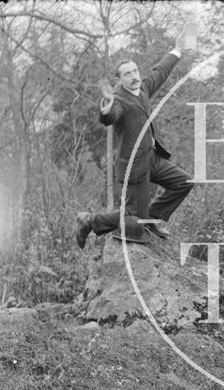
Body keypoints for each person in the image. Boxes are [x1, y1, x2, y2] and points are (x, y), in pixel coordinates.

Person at [76, 31, 195, 248]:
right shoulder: (119, 99)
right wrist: (107, 108)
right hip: (133, 166)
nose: (134, 76)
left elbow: (160, 71)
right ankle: (89, 221)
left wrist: (176, 50)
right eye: (127, 74)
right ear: (119, 80)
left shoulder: (143, 89)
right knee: (134, 222)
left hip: (152, 158)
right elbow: (111, 117)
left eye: (135, 71)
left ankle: (153, 217)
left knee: (184, 182)